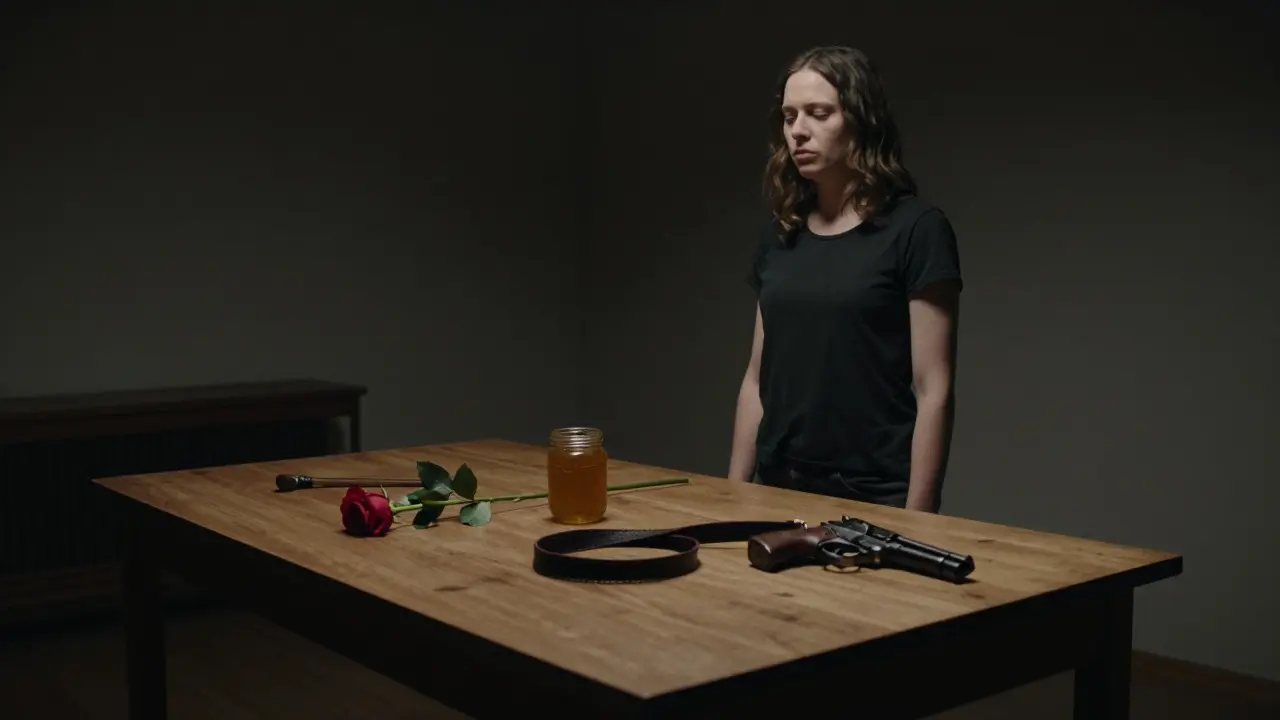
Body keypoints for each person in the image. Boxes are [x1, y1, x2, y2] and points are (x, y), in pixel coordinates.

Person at [726, 45, 962, 514]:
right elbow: (757, 378)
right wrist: (733, 491)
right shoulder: (780, 237)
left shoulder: (917, 230)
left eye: (818, 113)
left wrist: (918, 518)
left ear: (860, 120)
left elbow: (934, 388)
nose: (798, 131)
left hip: (874, 497)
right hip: (778, 489)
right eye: (789, 116)